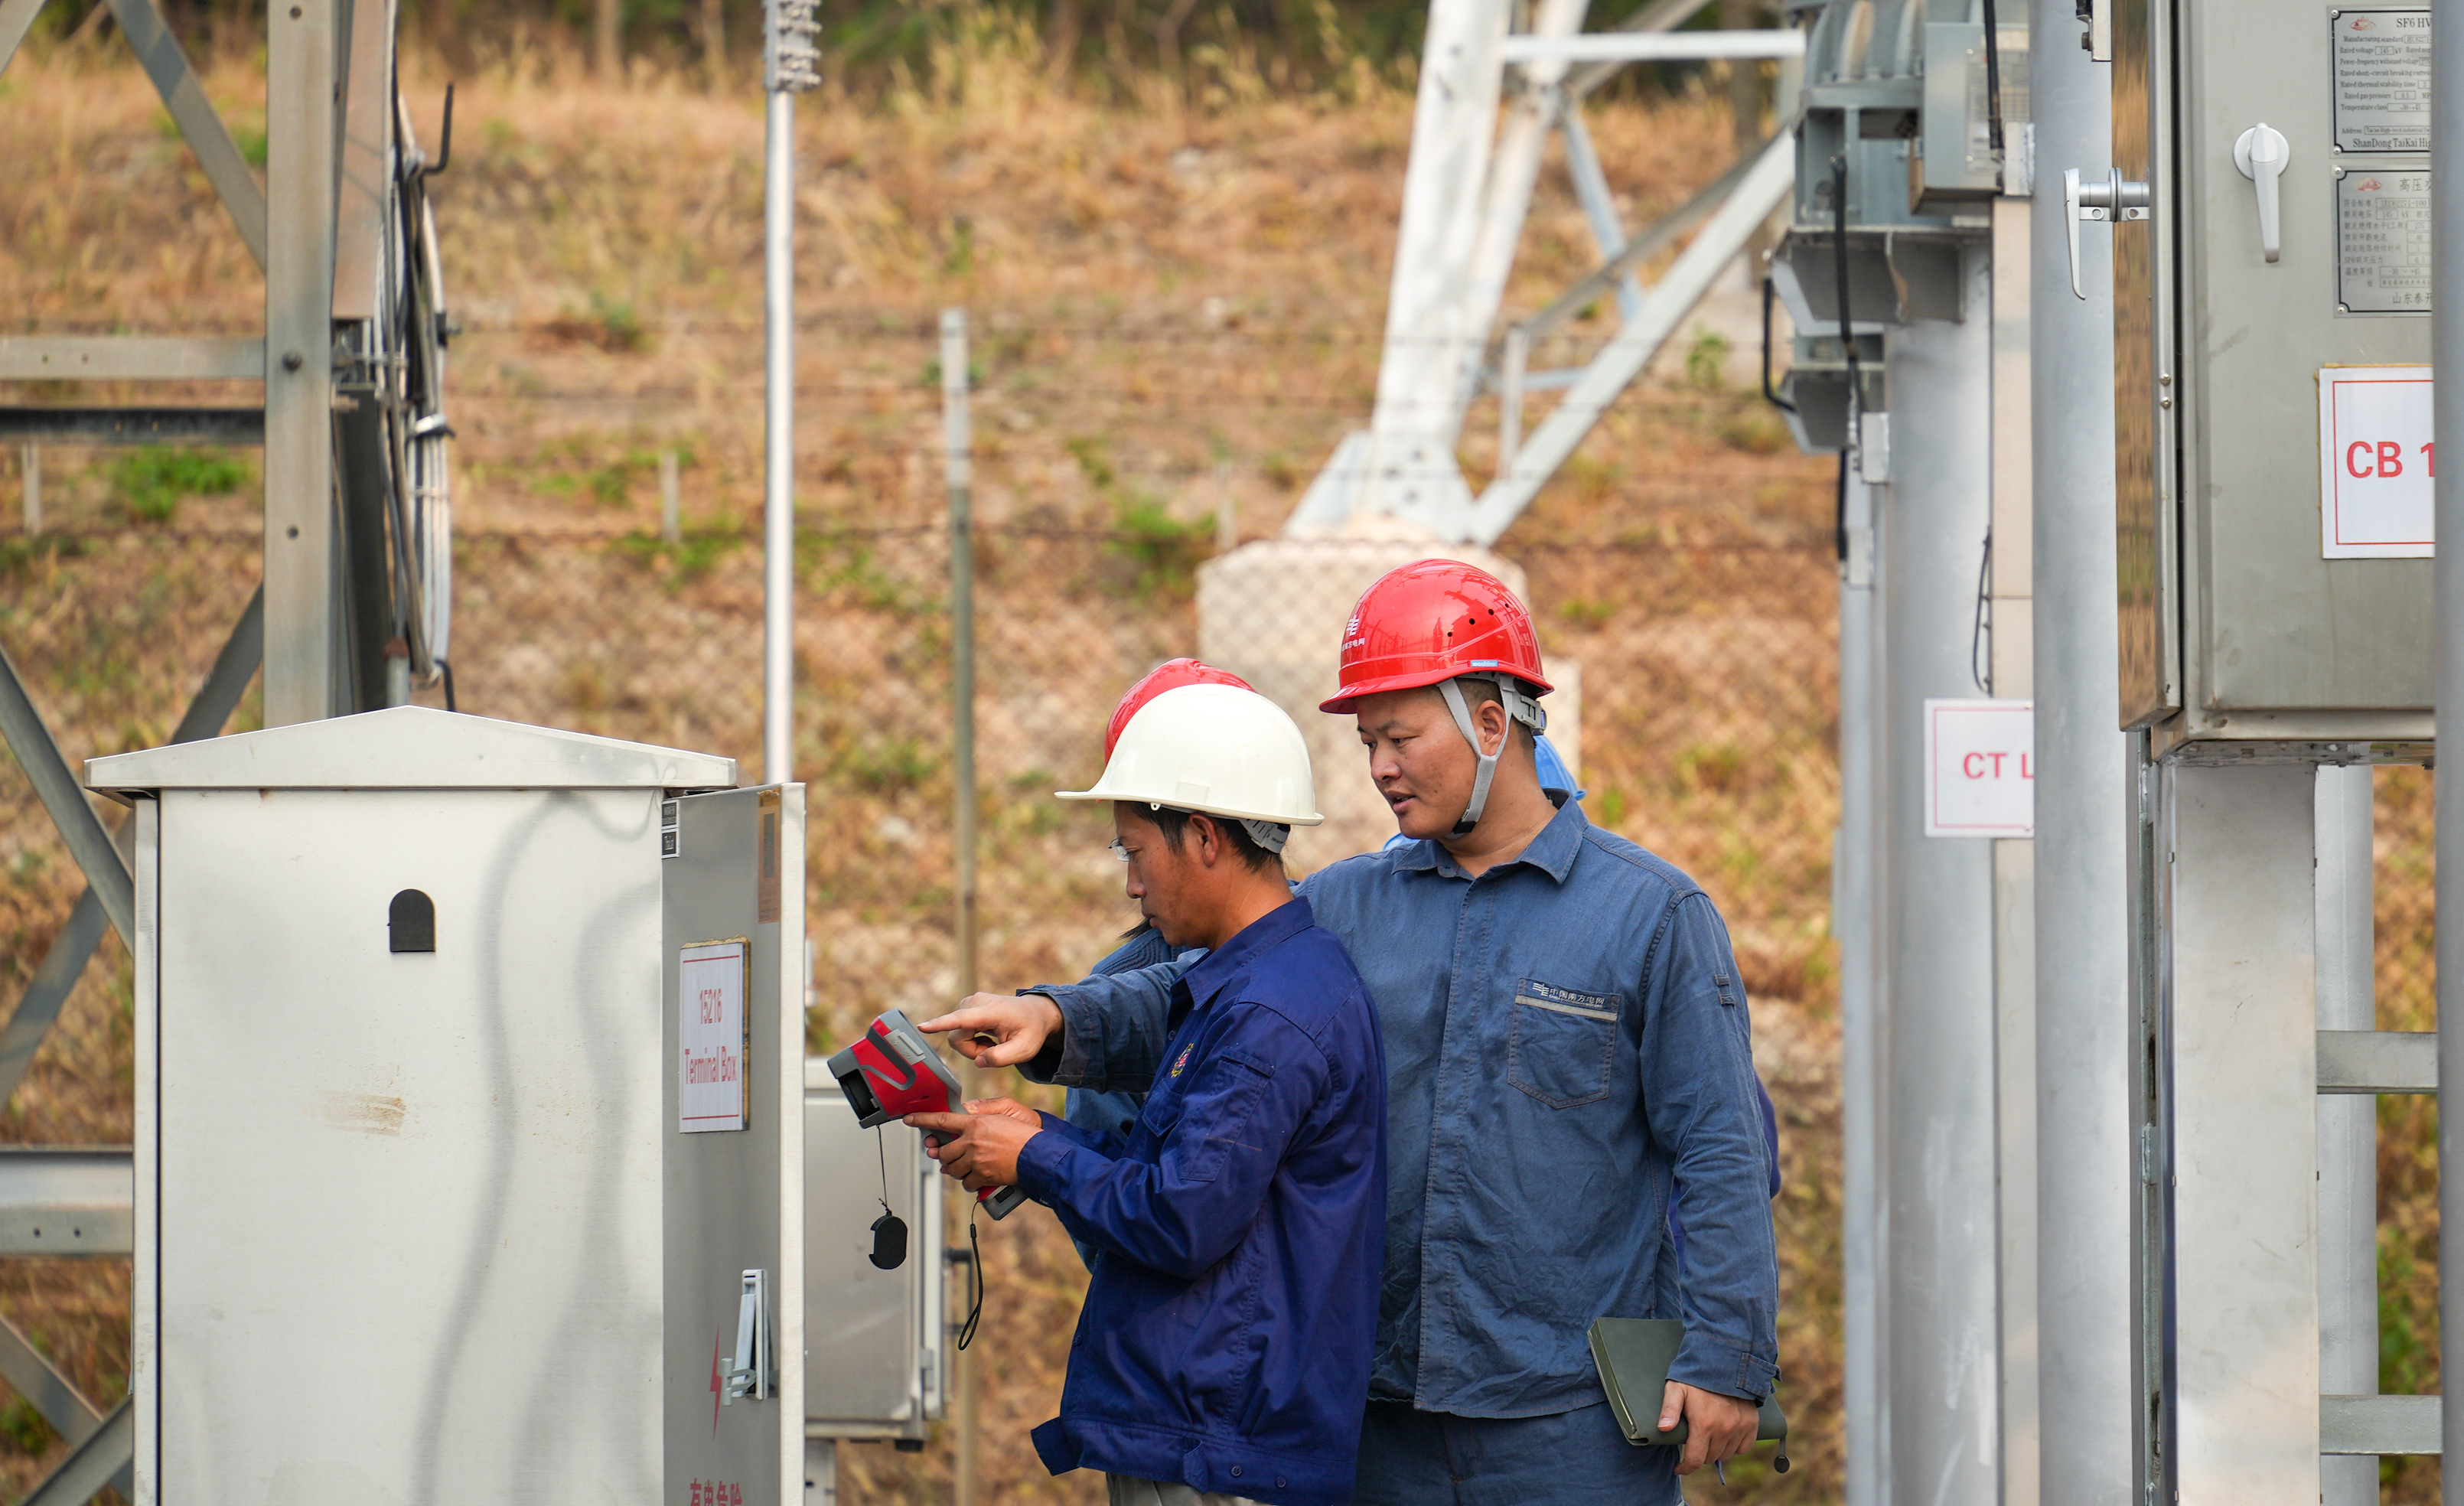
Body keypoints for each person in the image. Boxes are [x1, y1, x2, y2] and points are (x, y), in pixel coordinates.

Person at [926, 560, 1781, 1504]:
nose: (1378, 767)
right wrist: (1054, 1018)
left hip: (1568, 1427)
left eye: (1400, 736)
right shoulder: (1347, 905)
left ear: (1492, 724)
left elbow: (1721, 1147)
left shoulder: (1650, 917)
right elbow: (1194, 1001)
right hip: (1375, 1418)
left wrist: (1725, 1356)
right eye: (1369, 740)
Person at [907, 681, 1388, 1506]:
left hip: (1219, 1443)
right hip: (1208, 1429)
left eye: (1134, 852)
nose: (1132, 885)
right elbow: (1191, 1181)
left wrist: (1038, 1156)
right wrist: (1033, 1142)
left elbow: (1182, 1219)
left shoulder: (1270, 1011)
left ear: (1201, 836)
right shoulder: (1256, 986)